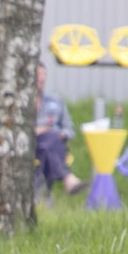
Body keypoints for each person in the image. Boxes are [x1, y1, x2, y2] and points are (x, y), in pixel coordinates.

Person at [35, 62, 84, 196]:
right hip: (31, 146)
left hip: (52, 145)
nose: (42, 78)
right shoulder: (20, 104)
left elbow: (70, 130)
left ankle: (40, 197)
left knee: (49, 142)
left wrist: (60, 134)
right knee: (48, 140)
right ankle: (67, 178)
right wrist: (39, 131)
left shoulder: (56, 102)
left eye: (44, 74)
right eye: (38, 74)